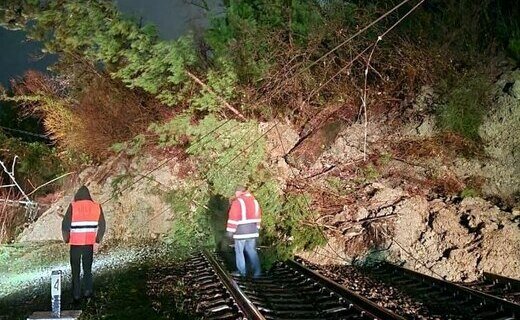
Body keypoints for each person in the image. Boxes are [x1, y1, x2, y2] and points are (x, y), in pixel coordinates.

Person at [61, 185, 105, 302]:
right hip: (88, 244)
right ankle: (87, 291)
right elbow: (102, 226)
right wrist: (97, 240)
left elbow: (65, 225)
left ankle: (76, 294)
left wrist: (66, 239)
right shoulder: (97, 207)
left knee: (75, 270)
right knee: (87, 269)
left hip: (75, 244)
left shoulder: (73, 206)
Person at [226, 185, 262, 277]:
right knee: (252, 250)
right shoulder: (254, 201)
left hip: (241, 232)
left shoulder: (238, 202)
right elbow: (258, 215)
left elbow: (233, 217)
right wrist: (257, 227)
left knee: (239, 251)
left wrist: (230, 230)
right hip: (253, 230)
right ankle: (257, 272)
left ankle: (242, 272)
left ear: (238, 192)